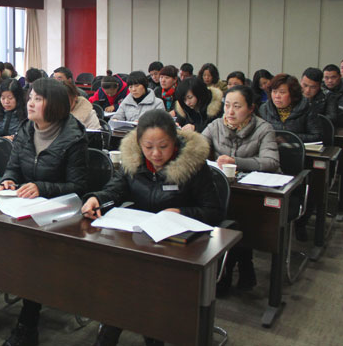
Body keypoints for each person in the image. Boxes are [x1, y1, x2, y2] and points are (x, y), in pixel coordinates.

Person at [0, 78, 88, 346]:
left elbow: (78, 187)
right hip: (23, 204)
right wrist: (8, 180)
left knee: (32, 253)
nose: (30, 103)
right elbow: (13, 167)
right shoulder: (27, 129)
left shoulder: (74, 137)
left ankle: (28, 325)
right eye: (31, 98)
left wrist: (41, 187)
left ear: (55, 105)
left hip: (57, 211)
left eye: (38, 99)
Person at [82, 109, 220, 346]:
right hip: (141, 241)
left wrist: (181, 212)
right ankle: (116, 333)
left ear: (174, 141)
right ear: (139, 144)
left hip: (179, 248)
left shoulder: (193, 165)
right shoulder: (134, 161)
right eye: (148, 147)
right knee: (119, 280)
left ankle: (143, 335)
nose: (156, 154)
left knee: (142, 287)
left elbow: (214, 211)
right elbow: (116, 190)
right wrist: (97, 198)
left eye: (163, 146)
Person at [202, 85, 279, 295]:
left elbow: (271, 161)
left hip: (254, 190)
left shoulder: (264, 129)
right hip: (223, 190)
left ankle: (231, 268)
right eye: (227, 105)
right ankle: (240, 266)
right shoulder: (216, 125)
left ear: (251, 108)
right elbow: (197, 149)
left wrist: (235, 161)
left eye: (237, 106)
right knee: (225, 214)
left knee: (240, 215)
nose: (230, 111)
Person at [259, 73, 322, 143]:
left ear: (292, 94)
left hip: (299, 148)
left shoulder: (306, 108)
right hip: (271, 148)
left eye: (282, 92)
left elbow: (316, 136)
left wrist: (289, 138)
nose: (277, 96)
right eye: (274, 92)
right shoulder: (264, 109)